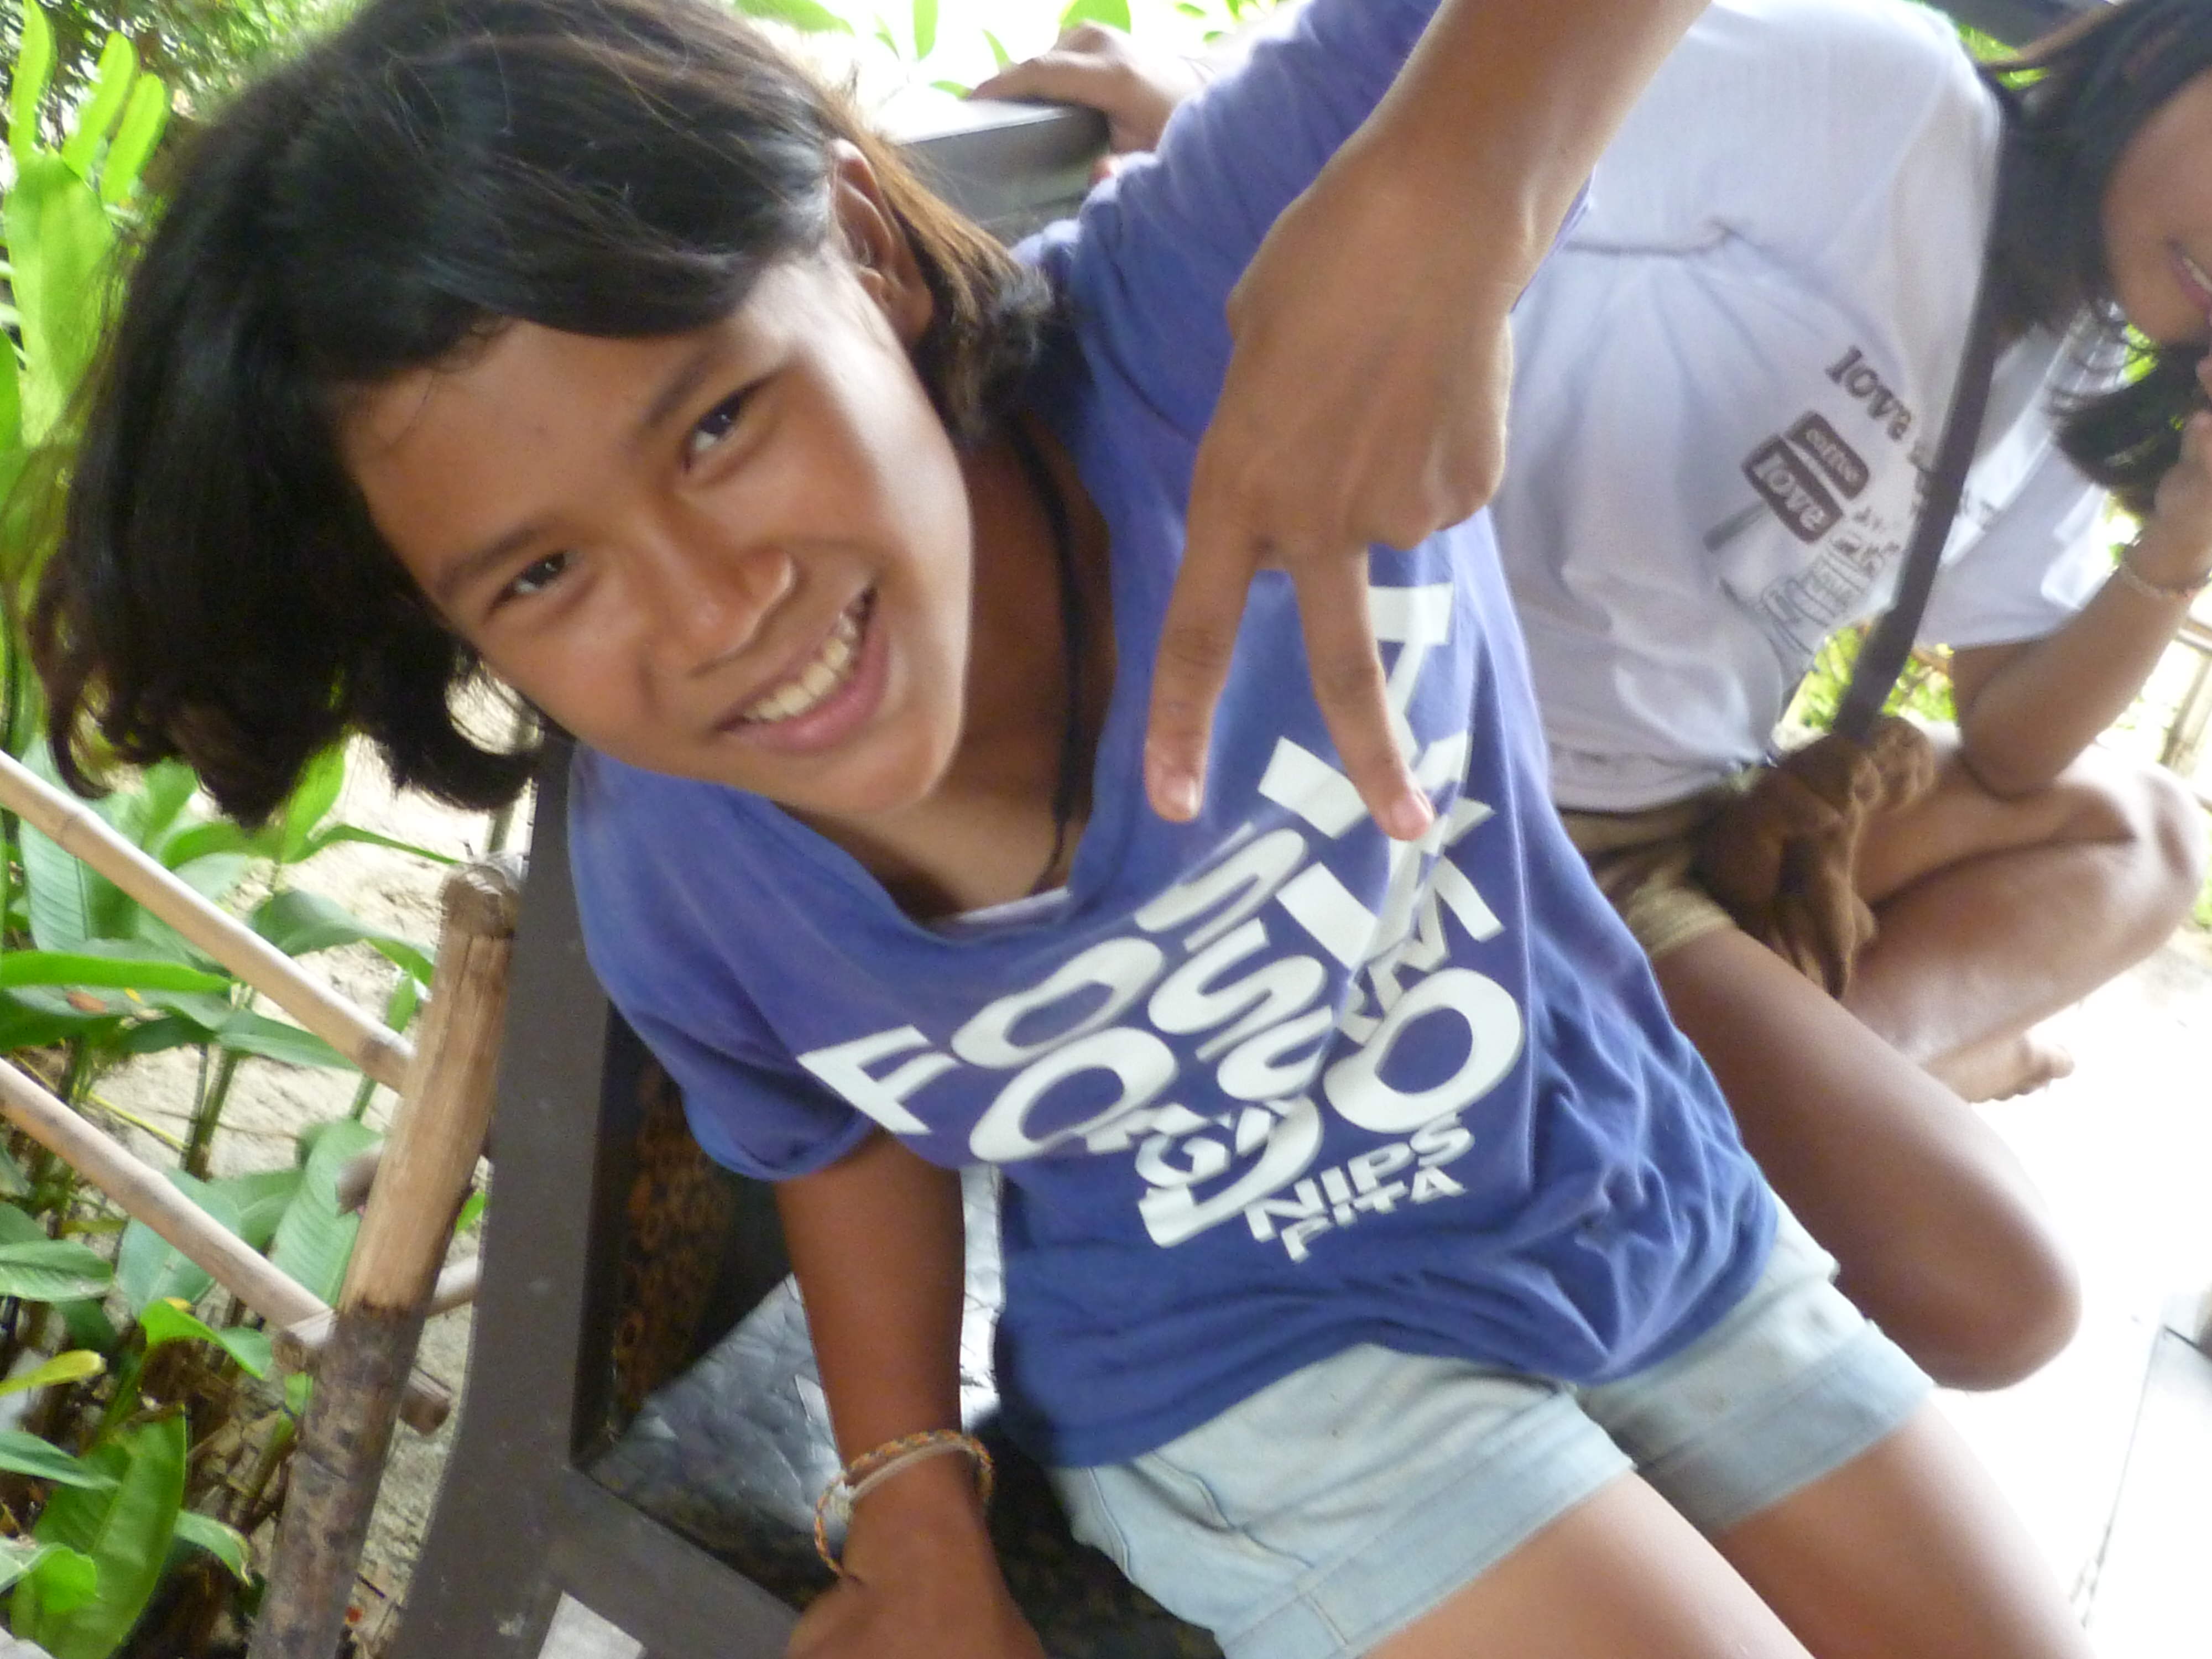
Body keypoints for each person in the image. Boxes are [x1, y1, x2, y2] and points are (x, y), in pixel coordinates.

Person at [28, 0, 2100, 1654]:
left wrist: (1458, 182)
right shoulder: (684, 869)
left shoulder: (1220, 309)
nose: (715, 608)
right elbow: (835, 1130)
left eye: (721, 421)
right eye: (543, 576)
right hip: (1252, 1371)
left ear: (862, 250)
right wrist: (914, 1502)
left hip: (1639, 1190)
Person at [979, 0, 2212, 1391]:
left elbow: (2011, 740)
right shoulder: (1881, 98)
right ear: (2163, 46)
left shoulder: (2078, 363)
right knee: (1997, 1297)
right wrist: (1207, 113)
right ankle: (1783, 1113)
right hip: (1465, 763)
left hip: (1664, 827)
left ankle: (1787, 1098)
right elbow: (1463, 127)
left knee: (2149, 831)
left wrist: (2177, 546)